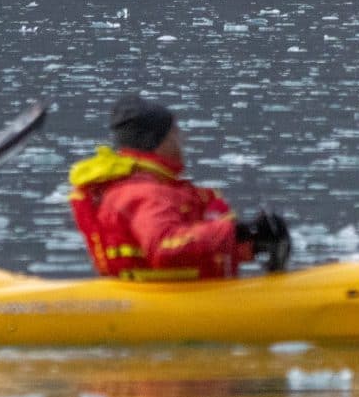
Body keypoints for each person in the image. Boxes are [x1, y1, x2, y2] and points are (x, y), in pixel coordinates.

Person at [68, 94, 288, 280]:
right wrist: (235, 231)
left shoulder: (155, 187)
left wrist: (251, 242)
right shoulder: (144, 193)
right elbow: (165, 248)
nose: (182, 138)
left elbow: (196, 247)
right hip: (161, 305)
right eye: (174, 132)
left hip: (184, 295)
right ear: (157, 141)